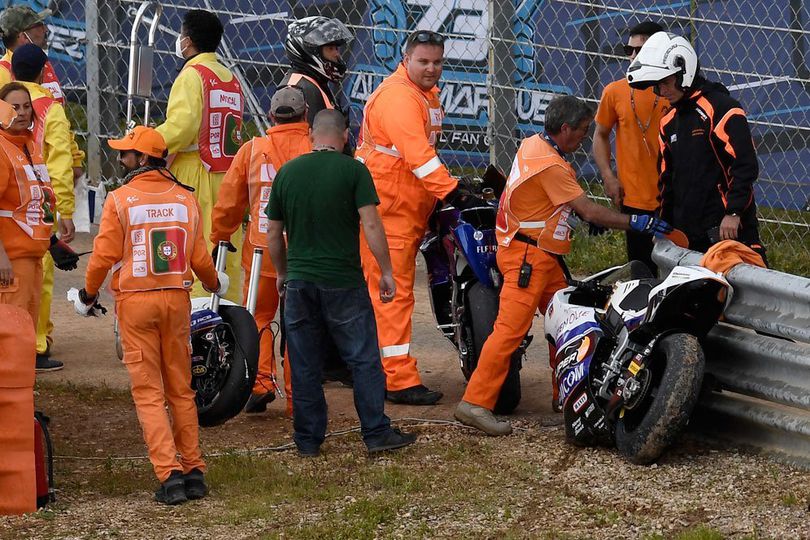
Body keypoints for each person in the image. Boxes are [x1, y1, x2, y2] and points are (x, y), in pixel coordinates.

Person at [453, 96, 673, 436]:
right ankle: (475, 402)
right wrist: (634, 223)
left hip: (538, 254)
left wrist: (576, 215)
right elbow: (587, 209)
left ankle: (567, 398)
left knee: (572, 323)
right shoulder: (552, 166)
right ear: (565, 128)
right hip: (529, 258)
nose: (585, 138)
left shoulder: (534, 145)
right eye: (583, 131)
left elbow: (550, 202)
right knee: (510, 331)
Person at [73, 126, 227, 505]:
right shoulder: (185, 199)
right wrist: (215, 283)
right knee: (181, 389)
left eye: (127, 153)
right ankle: (194, 472)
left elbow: (102, 259)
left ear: (143, 159)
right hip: (177, 302)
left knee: (148, 393)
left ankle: (169, 476)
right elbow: (201, 260)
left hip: (136, 305)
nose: (121, 159)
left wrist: (88, 295)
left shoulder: (120, 200)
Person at [266, 109, 416, 456]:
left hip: (300, 283)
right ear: (345, 135)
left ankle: (307, 441)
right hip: (343, 281)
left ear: (312, 136)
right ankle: (376, 433)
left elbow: (274, 233)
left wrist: (284, 272)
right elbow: (372, 225)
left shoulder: (287, 173)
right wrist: (387, 270)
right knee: (363, 359)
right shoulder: (354, 171)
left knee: (304, 364)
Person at [356, 30, 483, 405]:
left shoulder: (420, 94)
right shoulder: (400, 98)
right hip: (388, 212)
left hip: (400, 209)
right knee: (391, 293)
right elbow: (419, 156)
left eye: (437, 62)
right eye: (424, 61)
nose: (431, 69)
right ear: (405, 58)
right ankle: (397, 380)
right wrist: (452, 191)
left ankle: (379, 371)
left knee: (386, 293)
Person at [211, 86, 311, 414]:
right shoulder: (315, 147)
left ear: (270, 116)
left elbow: (229, 203)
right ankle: (300, 397)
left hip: (260, 250)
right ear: (305, 114)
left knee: (258, 316)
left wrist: (220, 236)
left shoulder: (253, 149)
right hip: (304, 251)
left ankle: (260, 381)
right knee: (301, 321)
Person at [627, 32, 764, 257]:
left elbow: (744, 165)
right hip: (687, 234)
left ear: (684, 71)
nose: (662, 92)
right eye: (656, 86)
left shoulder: (722, 108)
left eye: (665, 83)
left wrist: (734, 212)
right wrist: (663, 224)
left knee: (746, 288)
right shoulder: (668, 122)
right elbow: (665, 180)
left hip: (726, 229)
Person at [156, 9, 244, 303]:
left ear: (188, 40)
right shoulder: (229, 76)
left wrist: (148, 142)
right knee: (225, 247)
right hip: (227, 175)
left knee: (195, 246)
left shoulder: (192, 75)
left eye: (181, 35)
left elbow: (182, 128)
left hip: (195, 172)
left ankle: (196, 313)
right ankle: (228, 312)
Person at [12, 44, 79, 371]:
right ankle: (35, 345)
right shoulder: (50, 108)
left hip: (12, 202)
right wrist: (65, 212)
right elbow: (61, 164)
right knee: (41, 276)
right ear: (42, 72)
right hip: (42, 202)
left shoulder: (4, 102)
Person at [593, 21, 668, 273]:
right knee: (640, 270)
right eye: (629, 50)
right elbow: (600, 135)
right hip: (634, 199)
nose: (633, 56)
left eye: (641, 50)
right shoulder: (614, 91)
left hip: (672, 196)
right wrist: (608, 176)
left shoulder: (674, 91)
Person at [0, 87, 52, 325]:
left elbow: (37, 197)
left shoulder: (29, 145)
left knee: (27, 327)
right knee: (12, 329)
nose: (22, 113)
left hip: (32, 254)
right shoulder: (2, 149)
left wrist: (53, 241)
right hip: (11, 257)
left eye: (26, 106)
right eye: (14, 107)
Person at [281, 16, 353, 127]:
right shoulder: (302, 90)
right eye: (330, 48)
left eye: (336, 48)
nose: (337, 54)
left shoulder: (312, 82)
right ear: (309, 52)